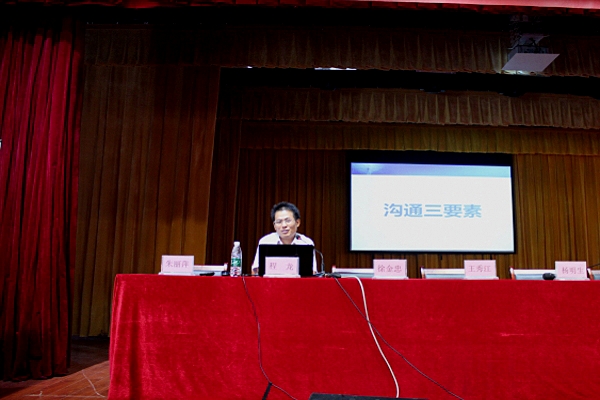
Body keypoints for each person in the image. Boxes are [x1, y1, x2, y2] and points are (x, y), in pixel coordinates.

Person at [251, 202, 317, 275]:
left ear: (297, 222)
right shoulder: (266, 241)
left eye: (288, 221)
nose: (284, 225)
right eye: (279, 222)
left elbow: (312, 272)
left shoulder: (306, 242)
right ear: (274, 226)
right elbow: (255, 271)